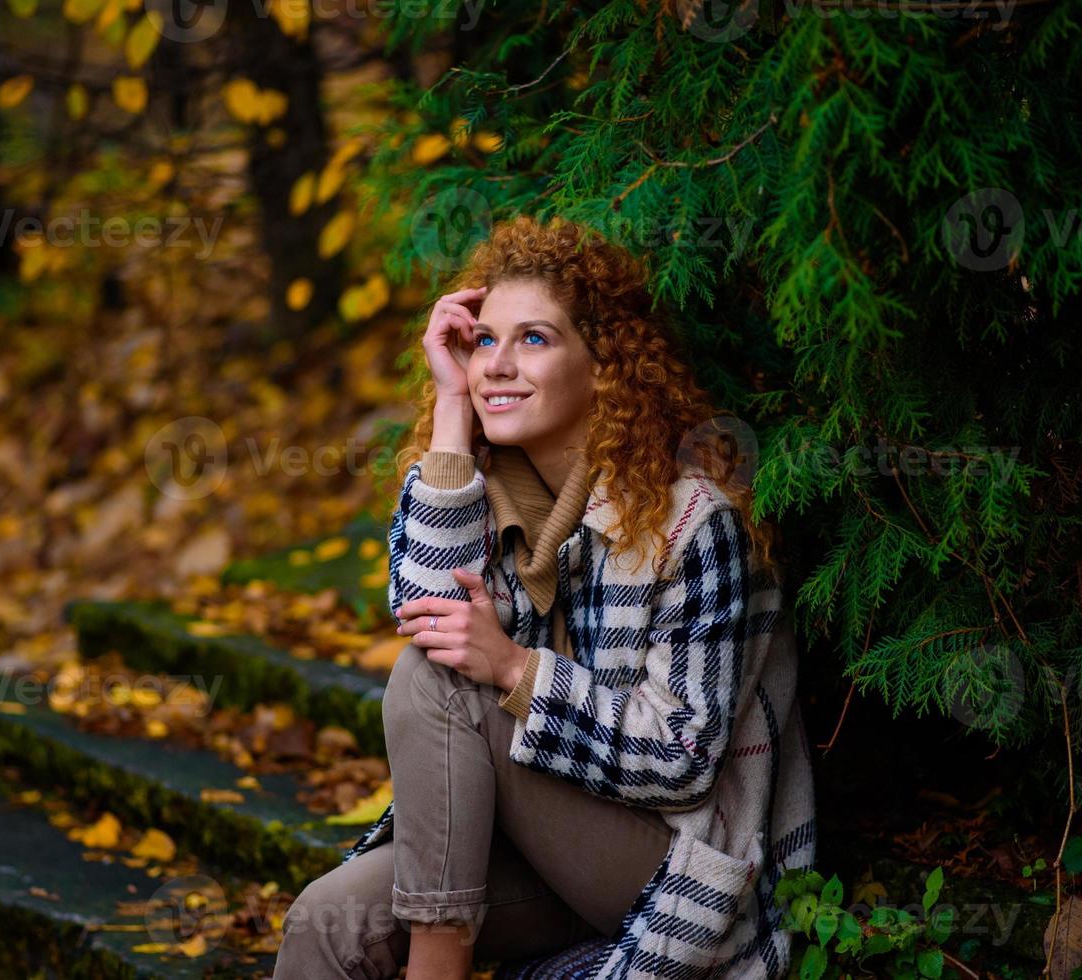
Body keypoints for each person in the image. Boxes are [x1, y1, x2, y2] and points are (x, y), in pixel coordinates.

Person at [272, 215, 816, 980]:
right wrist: (451, 410)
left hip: (667, 865)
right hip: (537, 847)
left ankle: (438, 958)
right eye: (484, 341)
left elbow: (684, 759)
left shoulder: (694, 524)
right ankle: (441, 943)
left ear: (604, 366)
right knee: (324, 923)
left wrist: (516, 671)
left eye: (533, 339)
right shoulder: (493, 497)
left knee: (436, 678)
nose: (496, 364)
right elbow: (427, 612)